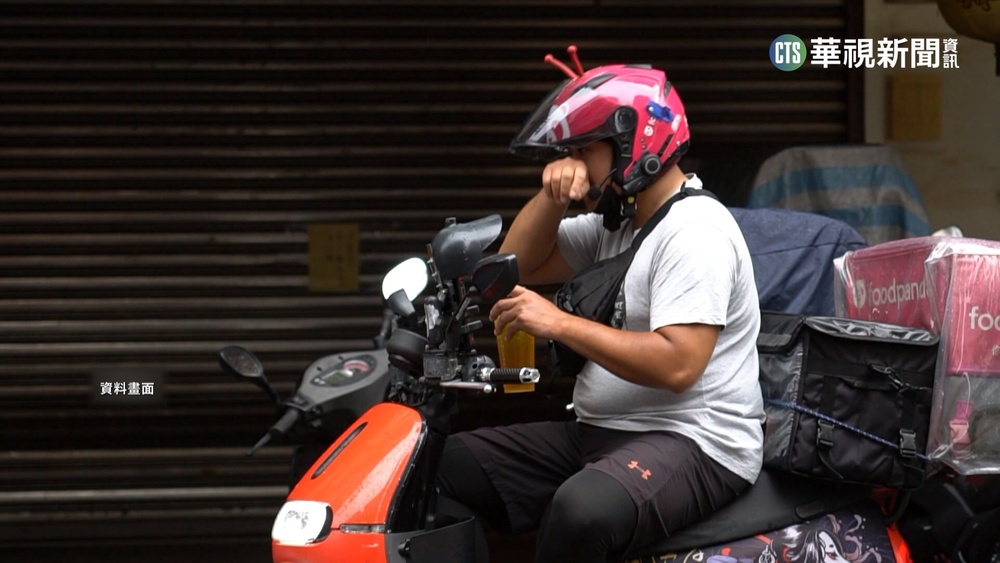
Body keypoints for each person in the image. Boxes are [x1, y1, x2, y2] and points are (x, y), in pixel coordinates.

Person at [436, 51, 765, 563]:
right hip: (602, 434)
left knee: (581, 511)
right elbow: (515, 262)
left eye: (583, 149)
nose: (575, 166)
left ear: (633, 145)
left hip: (697, 443)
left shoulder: (696, 231)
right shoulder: (619, 227)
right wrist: (553, 193)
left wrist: (560, 324)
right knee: (437, 467)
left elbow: (679, 364)